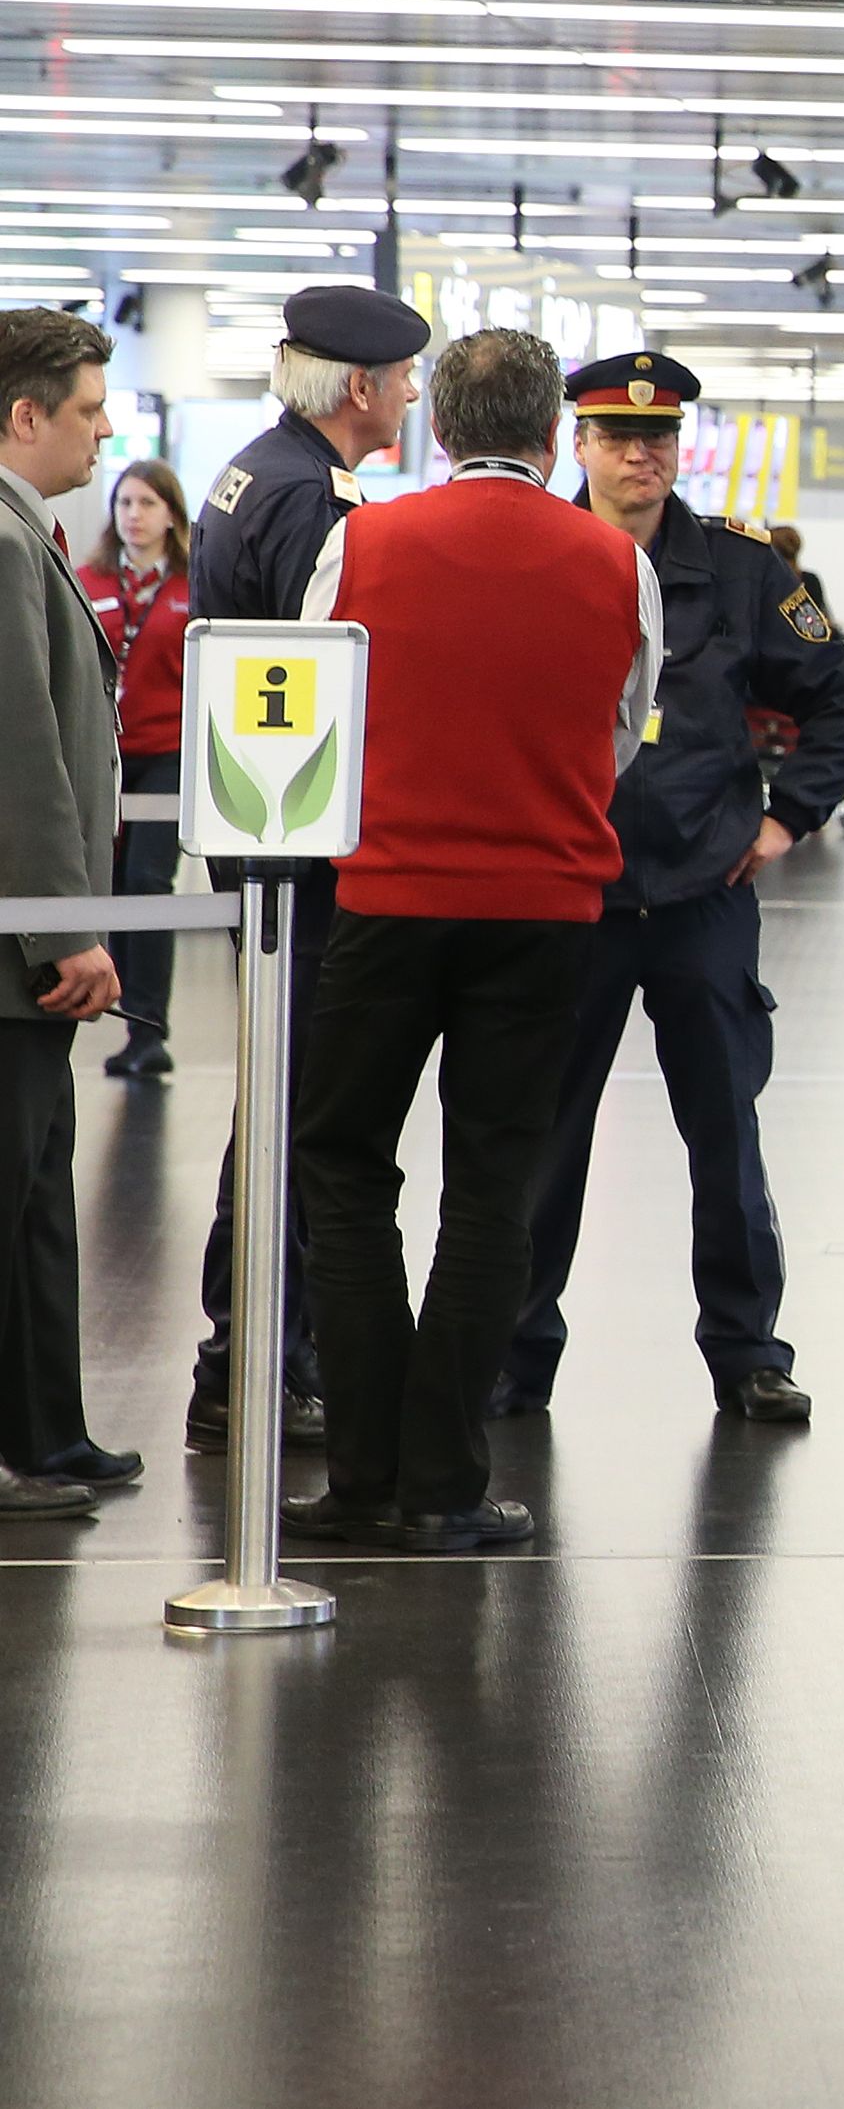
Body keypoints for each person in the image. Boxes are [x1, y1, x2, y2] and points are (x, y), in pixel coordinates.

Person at [282, 330, 661, 1554]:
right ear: (554, 436)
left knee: (345, 1168)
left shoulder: (362, 540)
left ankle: (361, 1473)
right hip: (544, 913)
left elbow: (316, 713)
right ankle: (444, 1483)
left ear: (439, 430)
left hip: (387, 900)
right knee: (494, 1189)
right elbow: (622, 732)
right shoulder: (619, 564)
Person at [502, 352, 844, 1427]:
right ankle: (515, 1355)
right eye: (619, 437)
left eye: (658, 438)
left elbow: (842, 703)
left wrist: (784, 818)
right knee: (541, 1137)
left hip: (702, 896)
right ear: (577, 444)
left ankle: (749, 1353)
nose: (641, 455)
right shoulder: (537, 556)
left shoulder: (741, 570)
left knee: (726, 1134)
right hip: (571, 896)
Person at [180, 282, 429, 1454]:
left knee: (279, 1103)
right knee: (297, 1114)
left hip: (258, 836)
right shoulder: (312, 501)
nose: (414, 394)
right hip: (298, 852)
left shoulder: (255, 471)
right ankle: (252, 1363)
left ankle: (255, 1358)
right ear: (361, 387)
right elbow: (325, 683)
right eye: (405, 377)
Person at [0, 310, 137, 1513]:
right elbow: (21, 755)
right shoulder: (2, 543)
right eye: (88, 410)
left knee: (41, 1193)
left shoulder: (26, 535)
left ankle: (46, 1432)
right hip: (18, 943)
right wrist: (67, 926)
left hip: (30, 942)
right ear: (24, 414)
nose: (104, 431)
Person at [76, 455, 192, 1080]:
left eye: (147, 503)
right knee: (115, 884)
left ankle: (151, 1028)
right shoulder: (88, 579)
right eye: (124, 502)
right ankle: (127, 1024)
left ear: (172, 514)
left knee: (149, 880)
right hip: (106, 754)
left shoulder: (193, 587)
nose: (134, 514)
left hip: (168, 754)